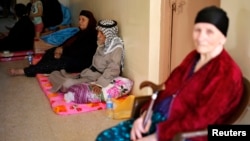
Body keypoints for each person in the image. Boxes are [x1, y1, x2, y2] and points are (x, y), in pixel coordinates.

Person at [96, 6, 244, 141]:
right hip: (160, 118)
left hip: (181, 132)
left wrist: (157, 136)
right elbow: (169, 87)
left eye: (209, 32)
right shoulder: (194, 56)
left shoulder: (227, 73)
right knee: (104, 138)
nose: (200, 37)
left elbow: (202, 119)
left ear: (223, 37)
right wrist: (145, 116)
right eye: (197, 30)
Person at [9, 10, 98, 77]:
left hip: (82, 62)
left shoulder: (92, 35)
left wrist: (62, 51)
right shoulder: (81, 32)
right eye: (79, 19)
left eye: (83, 20)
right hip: (71, 54)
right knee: (50, 52)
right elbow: (68, 42)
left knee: (59, 62)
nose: (80, 22)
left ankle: (25, 71)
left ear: (90, 21)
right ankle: (38, 68)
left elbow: (81, 52)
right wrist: (59, 49)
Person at [48, 19, 125, 94]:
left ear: (109, 35)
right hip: (88, 73)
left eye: (101, 33)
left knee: (66, 85)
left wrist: (99, 84)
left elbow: (113, 69)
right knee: (53, 73)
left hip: (96, 78)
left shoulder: (116, 48)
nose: (98, 35)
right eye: (98, 32)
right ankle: (66, 79)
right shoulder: (103, 43)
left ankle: (65, 81)